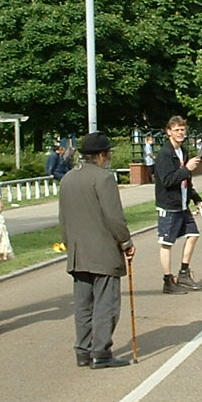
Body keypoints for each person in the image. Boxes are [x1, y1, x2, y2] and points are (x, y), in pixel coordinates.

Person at [59, 133, 135, 369]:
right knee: (106, 304)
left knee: (83, 305)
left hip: (77, 252)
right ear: (102, 155)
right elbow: (113, 216)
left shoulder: (68, 178)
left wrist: (70, 245)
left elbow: (63, 219)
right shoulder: (104, 178)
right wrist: (126, 241)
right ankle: (100, 352)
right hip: (103, 252)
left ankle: (83, 349)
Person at [154, 116, 202, 295]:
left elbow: (186, 180)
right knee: (167, 243)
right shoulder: (164, 155)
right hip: (169, 205)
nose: (180, 133)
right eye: (176, 130)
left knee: (193, 234)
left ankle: (183, 273)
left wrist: (195, 197)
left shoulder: (183, 151)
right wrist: (186, 169)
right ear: (169, 132)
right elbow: (167, 181)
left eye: (183, 129)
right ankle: (168, 281)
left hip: (183, 204)